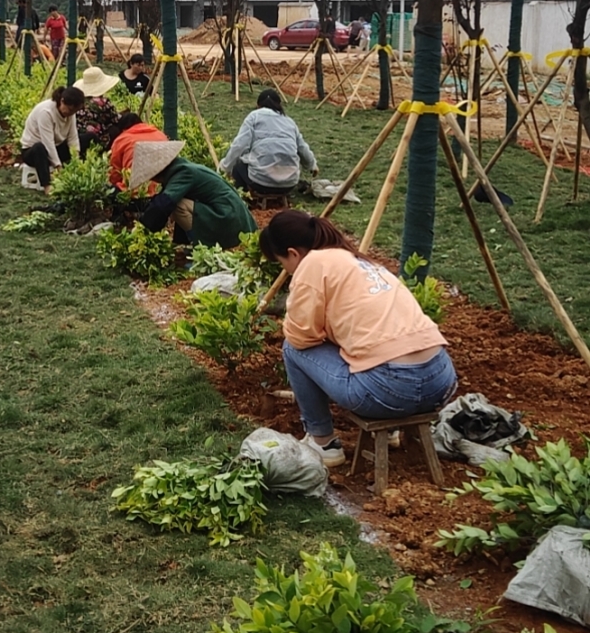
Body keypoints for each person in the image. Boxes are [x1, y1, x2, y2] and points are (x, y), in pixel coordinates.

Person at [258, 211, 457, 467]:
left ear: (293, 253)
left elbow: (299, 336)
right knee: (369, 341)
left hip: (390, 391)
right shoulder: (360, 261)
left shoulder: (312, 264)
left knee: (293, 349)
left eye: (281, 262)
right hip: (441, 383)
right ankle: (393, 431)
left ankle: (323, 442)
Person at [133, 140, 256, 248]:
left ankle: (200, 247)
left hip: (230, 218)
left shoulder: (183, 173)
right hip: (229, 212)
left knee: (177, 206)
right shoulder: (180, 168)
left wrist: (144, 225)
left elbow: (164, 203)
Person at [220, 89, 318, 194]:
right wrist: (312, 165)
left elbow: (239, 146)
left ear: (258, 105)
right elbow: (302, 148)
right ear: (279, 105)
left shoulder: (254, 117)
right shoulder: (289, 122)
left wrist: (224, 168)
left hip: (260, 182)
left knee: (238, 163)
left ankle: (243, 195)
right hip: (289, 184)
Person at [19, 85, 84, 189]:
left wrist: (76, 158)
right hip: (34, 152)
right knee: (39, 147)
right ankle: (46, 185)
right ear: (62, 101)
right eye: (70, 110)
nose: (71, 114)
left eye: (74, 112)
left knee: (87, 138)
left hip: (55, 147)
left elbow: (73, 136)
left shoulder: (70, 114)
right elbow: (47, 143)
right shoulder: (46, 112)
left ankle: (81, 174)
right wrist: (58, 166)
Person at [108, 113, 168, 190]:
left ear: (123, 129)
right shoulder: (160, 134)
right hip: (164, 185)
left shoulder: (121, 139)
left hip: (134, 189)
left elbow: (114, 174)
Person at [74, 65, 120, 156]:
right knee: (115, 128)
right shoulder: (103, 102)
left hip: (78, 137)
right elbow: (116, 119)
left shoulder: (78, 101)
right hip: (97, 138)